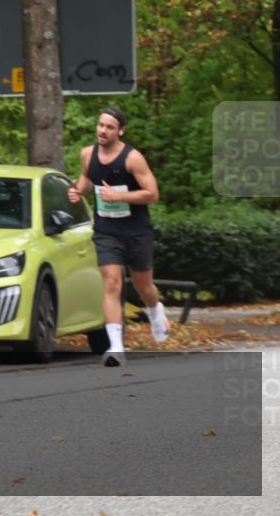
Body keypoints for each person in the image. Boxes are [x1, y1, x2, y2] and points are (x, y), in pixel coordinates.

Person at [68, 107, 170, 367]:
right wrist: (78, 191)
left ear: (120, 130)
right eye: (101, 125)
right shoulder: (87, 154)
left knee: (142, 284)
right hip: (106, 231)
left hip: (136, 230)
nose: (103, 130)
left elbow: (152, 193)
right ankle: (116, 347)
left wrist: (119, 196)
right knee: (112, 284)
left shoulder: (132, 158)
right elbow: (88, 178)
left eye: (109, 127)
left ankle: (155, 312)